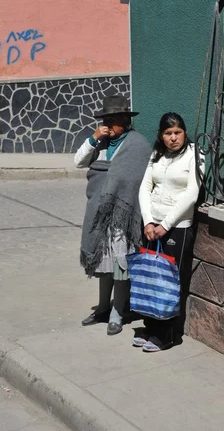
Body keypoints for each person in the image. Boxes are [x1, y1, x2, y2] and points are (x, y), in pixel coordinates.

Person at [75, 94, 151, 336]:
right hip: (98, 212)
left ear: (126, 120)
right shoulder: (101, 143)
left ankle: (117, 312)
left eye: (115, 120)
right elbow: (79, 162)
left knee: (120, 262)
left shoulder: (138, 145)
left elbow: (137, 179)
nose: (110, 124)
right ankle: (102, 309)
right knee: (102, 261)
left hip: (123, 214)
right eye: (107, 120)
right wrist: (94, 137)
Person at [137, 112, 204, 352]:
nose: (173, 138)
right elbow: (145, 187)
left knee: (169, 281)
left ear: (185, 133)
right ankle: (151, 327)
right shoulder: (157, 155)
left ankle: (167, 335)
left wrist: (165, 225)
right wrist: (147, 221)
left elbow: (191, 194)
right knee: (151, 277)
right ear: (161, 136)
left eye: (177, 132)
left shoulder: (195, 155)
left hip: (176, 227)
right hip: (151, 226)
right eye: (168, 133)